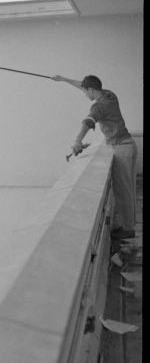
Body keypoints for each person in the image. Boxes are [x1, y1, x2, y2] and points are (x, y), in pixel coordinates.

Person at [53, 74, 137, 239]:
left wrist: (78, 141)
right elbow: (85, 85)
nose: (85, 95)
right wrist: (64, 79)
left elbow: (88, 122)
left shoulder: (98, 107)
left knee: (123, 192)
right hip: (130, 146)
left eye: (85, 92)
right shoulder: (110, 95)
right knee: (128, 190)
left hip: (121, 149)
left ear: (91, 90)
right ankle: (128, 224)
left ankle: (127, 229)